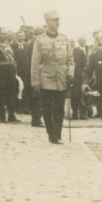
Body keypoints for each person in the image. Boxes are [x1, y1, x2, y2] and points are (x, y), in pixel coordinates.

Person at [30, 10, 74, 144]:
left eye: (58, 20)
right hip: (46, 78)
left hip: (61, 78)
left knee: (59, 108)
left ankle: (57, 134)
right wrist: (35, 82)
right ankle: (51, 132)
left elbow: (70, 60)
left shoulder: (64, 39)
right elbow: (35, 63)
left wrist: (70, 74)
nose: (57, 23)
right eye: (54, 20)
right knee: (47, 108)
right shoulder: (39, 40)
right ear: (47, 22)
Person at [72, 37, 88, 120]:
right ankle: (74, 113)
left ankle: (82, 114)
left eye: (72, 42)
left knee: (80, 95)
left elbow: (85, 64)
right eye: (69, 42)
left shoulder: (79, 52)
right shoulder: (64, 52)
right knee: (72, 96)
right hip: (68, 77)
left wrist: (82, 75)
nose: (71, 43)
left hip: (78, 77)